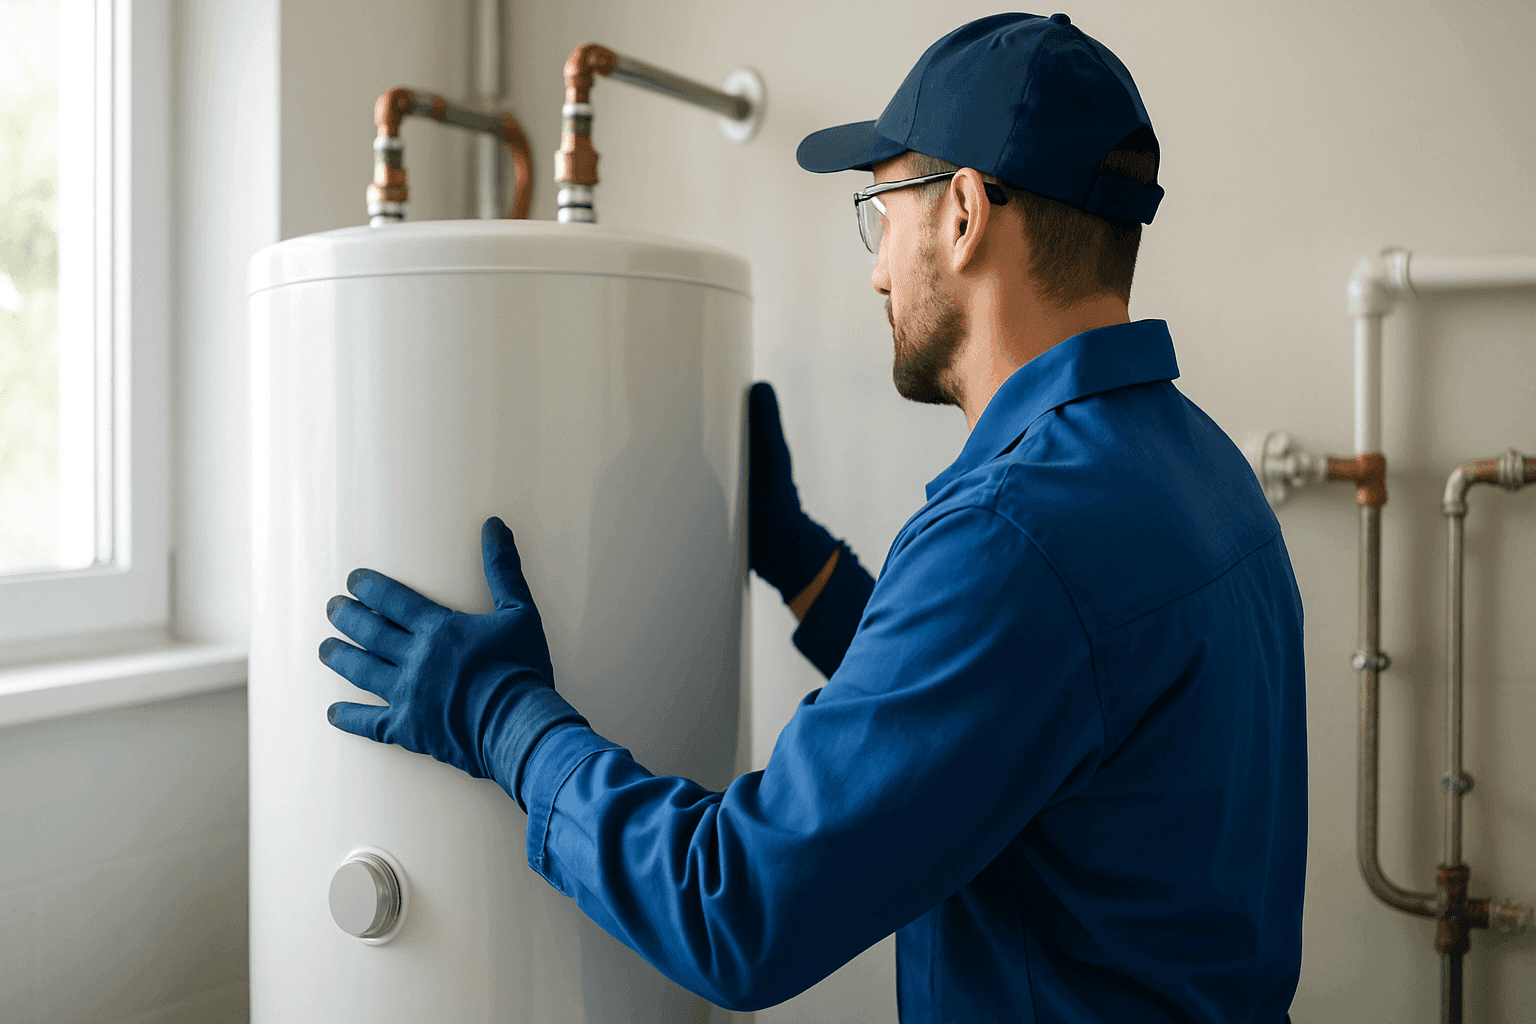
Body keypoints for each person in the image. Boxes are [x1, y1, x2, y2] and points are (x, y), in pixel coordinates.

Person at [318, 12, 1307, 1022]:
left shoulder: (1017, 536)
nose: (878, 268)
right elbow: (1008, 704)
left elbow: (735, 907)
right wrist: (802, 563)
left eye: (882, 210)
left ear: (964, 214)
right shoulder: (1199, 471)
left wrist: (500, 719)